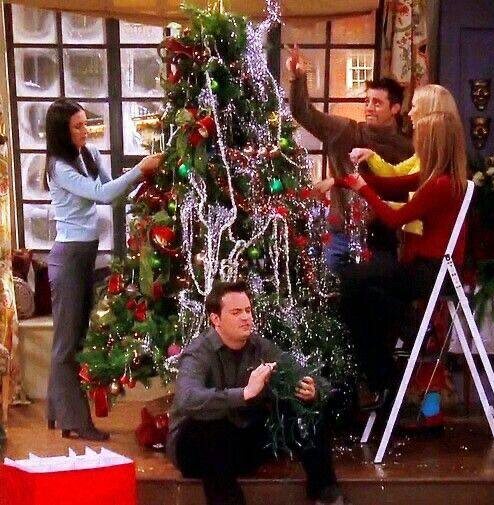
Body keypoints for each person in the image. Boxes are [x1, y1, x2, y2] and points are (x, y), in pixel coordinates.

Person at [326, 85, 468, 409]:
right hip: (422, 269)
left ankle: (388, 373)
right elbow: (389, 185)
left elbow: (393, 218)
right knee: (361, 295)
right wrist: (347, 179)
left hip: (431, 272)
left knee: (350, 284)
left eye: (416, 111)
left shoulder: (440, 183)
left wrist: (361, 188)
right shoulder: (435, 176)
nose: (410, 116)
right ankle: (393, 363)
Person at [166, 281, 349, 505]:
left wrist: (313, 390)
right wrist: (244, 393)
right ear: (216, 319)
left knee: (303, 408)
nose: (246, 318)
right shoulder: (198, 352)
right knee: (209, 430)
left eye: (248, 310)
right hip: (195, 449)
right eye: (236, 312)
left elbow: (305, 374)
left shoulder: (261, 347)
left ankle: (326, 493)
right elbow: (187, 399)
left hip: (240, 442)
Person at [43, 98, 163, 440]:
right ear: (62, 132)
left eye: (85, 124)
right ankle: (75, 421)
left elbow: (116, 193)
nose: (85, 131)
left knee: (74, 337)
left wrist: (147, 182)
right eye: (77, 127)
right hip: (68, 257)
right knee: (68, 343)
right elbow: (101, 195)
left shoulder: (89, 155)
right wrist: (139, 169)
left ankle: (57, 411)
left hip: (85, 254)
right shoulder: (58, 167)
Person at [286, 45, 414, 269]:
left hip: (382, 239)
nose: (369, 108)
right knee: (334, 288)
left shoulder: (407, 148)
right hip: (341, 237)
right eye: (367, 101)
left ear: (395, 108)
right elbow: (304, 113)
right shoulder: (346, 131)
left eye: (377, 103)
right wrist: (298, 79)